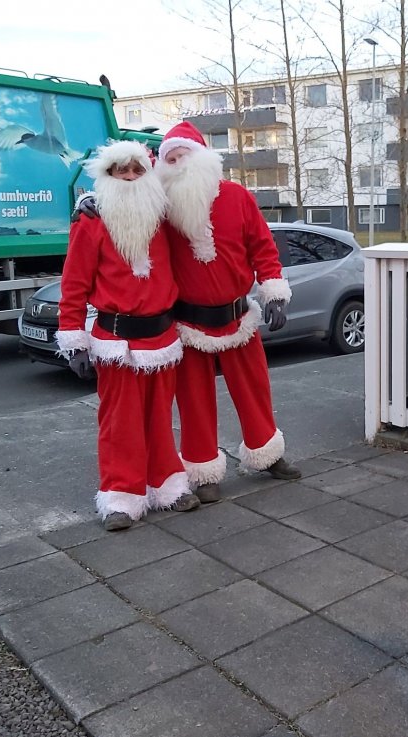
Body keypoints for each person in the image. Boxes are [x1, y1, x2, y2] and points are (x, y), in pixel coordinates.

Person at [154, 121, 301, 503]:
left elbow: (263, 247)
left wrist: (274, 294)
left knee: (254, 391)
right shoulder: (162, 209)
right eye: (170, 159)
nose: (177, 164)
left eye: (183, 156)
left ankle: (267, 453)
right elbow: (127, 208)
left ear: (202, 159)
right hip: (188, 323)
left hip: (239, 317)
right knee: (193, 400)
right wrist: (92, 204)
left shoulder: (237, 197)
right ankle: (203, 472)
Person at [56, 140, 199, 531]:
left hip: (162, 339)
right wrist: (72, 336)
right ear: (108, 176)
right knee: (119, 423)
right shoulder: (91, 222)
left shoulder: (164, 216)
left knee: (159, 417)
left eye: (138, 170)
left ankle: (167, 484)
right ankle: (121, 494)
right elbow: (74, 284)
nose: (132, 177)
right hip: (116, 343)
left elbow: (191, 188)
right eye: (122, 171)